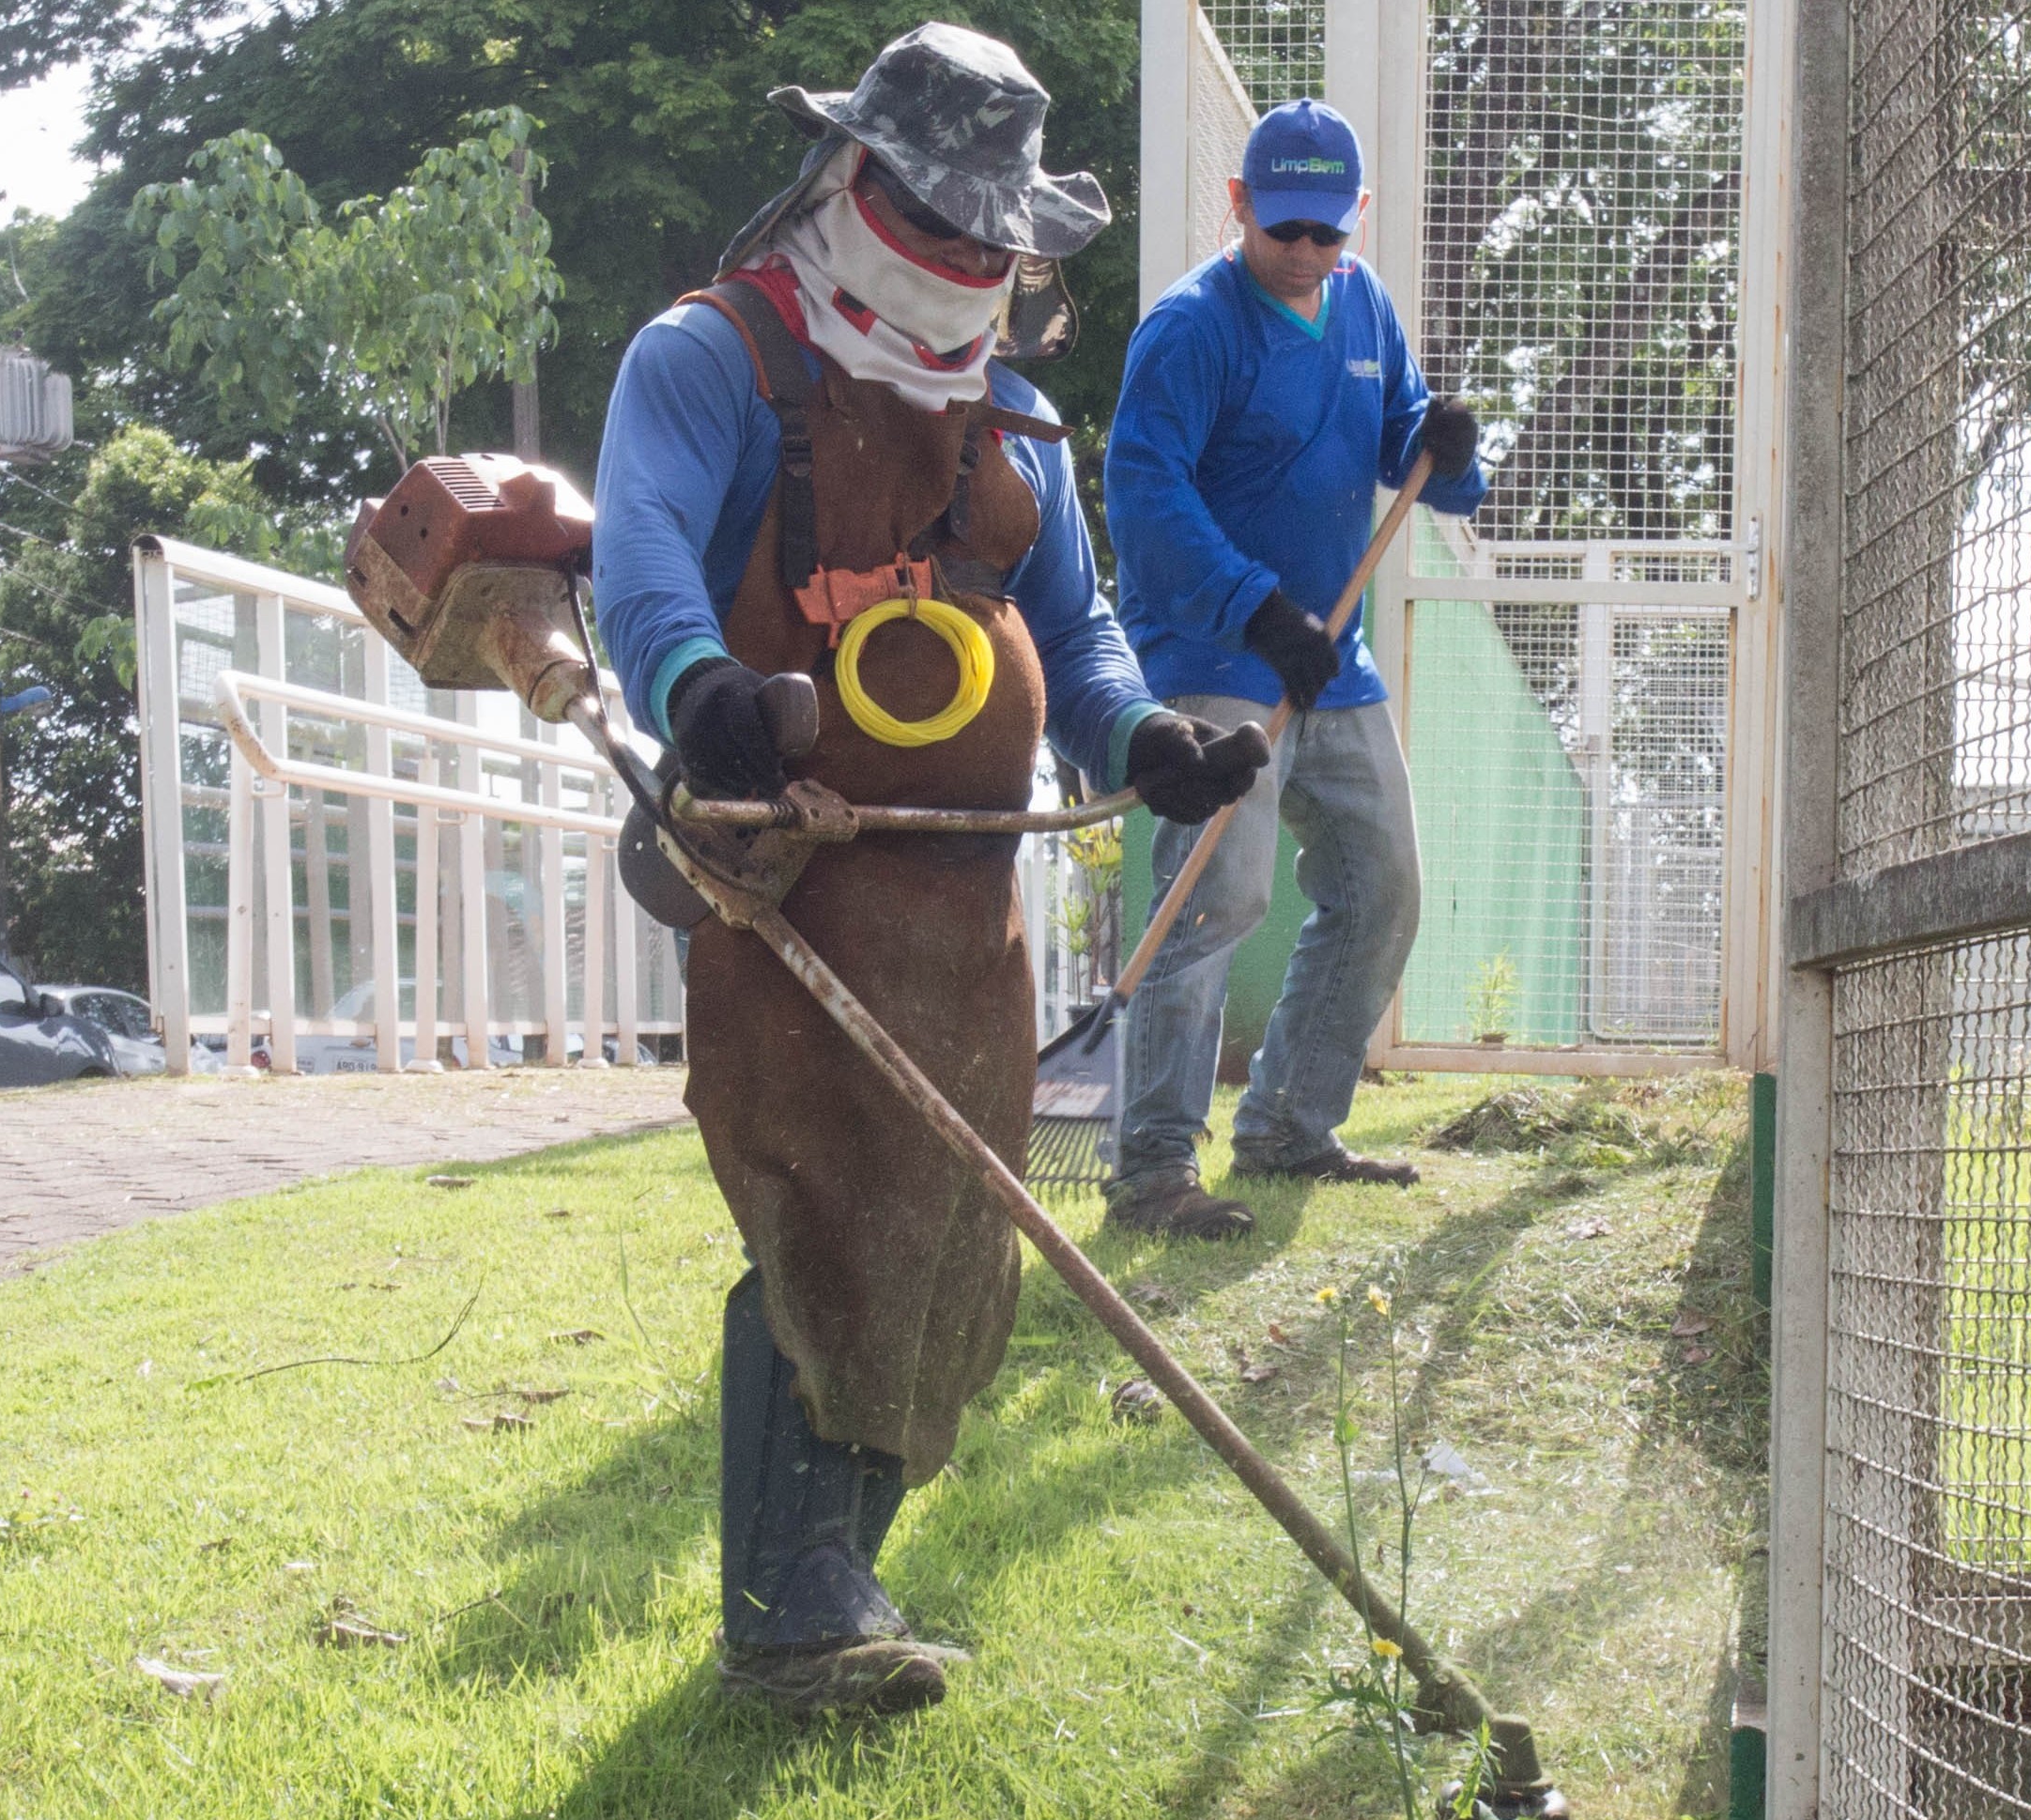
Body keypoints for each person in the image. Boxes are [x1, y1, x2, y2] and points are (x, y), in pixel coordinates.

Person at [587, 23, 1267, 1720]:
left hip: (968, 920)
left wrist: (1140, 743)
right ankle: (790, 1610)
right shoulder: (711, 362)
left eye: (996, 239)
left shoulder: (1016, 436)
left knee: (964, 1232)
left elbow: (1079, 629)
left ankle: (839, 1567)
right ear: (852, 180)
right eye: (944, 224)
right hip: (781, 873)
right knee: (829, 1194)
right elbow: (644, 545)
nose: (972, 260)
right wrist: (698, 691)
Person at [1099, 99, 1488, 1241]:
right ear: (1238, 209)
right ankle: (1153, 1170)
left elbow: (1407, 444)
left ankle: (1286, 1126)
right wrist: (1256, 613)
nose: (1308, 253)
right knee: (1217, 896)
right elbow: (1145, 497)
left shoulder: (1363, 304)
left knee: (1382, 887)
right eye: (1285, 231)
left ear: (1355, 218)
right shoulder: (1188, 329)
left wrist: (1449, 448)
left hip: (1334, 661)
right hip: (1221, 652)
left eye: (1328, 231)